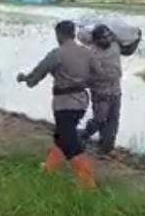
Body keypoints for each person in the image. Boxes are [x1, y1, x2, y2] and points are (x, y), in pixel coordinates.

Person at [16, 20, 96, 189]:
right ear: (73, 34)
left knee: (69, 141)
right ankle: (48, 168)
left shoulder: (57, 54)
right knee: (60, 136)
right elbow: (96, 76)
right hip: (82, 101)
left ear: (59, 35)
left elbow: (36, 75)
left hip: (65, 104)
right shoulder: (88, 53)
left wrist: (25, 79)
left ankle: (87, 182)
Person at [81, 24, 123, 155]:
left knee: (113, 121)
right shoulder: (91, 54)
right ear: (96, 40)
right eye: (104, 37)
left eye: (109, 36)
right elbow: (86, 75)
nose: (108, 39)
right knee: (99, 120)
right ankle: (84, 134)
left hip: (116, 91)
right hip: (100, 93)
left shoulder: (115, 46)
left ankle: (106, 148)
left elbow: (130, 46)